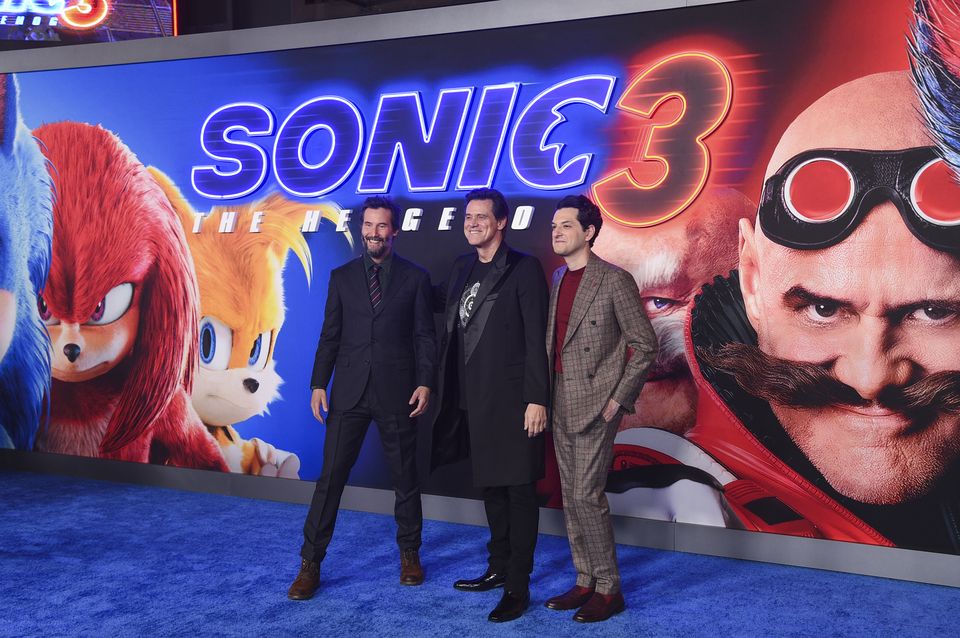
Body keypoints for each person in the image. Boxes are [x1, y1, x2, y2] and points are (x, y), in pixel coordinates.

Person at [684, 70, 960, 552]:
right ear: (752, 280)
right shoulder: (674, 496)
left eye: (934, 311)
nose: (870, 377)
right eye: (823, 308)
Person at [288, 196, 437, 599]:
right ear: (362, 229)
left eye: (382, 226)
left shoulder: (416, 278)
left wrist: (425, 382)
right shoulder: (342, 277)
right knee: (330, 480)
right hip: (349, 393)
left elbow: (425, 335)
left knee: (406, 480)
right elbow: (330, 335)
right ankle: (310, 563)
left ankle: (409, 554)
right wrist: (319, 383)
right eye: (368, 225)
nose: (374, 232)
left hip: (398, 393)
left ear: (395, 230)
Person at [430, 188, 549, 622]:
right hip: (471, 401)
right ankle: (498, 568)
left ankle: (519, 585)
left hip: (515, 402)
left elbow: (538, 337)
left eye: (482, 216)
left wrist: (538, 397)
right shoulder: (463, 267)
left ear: (502, 222)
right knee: (492, 489)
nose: (473, 222)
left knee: (518, 491)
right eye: (469, 216)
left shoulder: (523, 269)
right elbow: (436, 307)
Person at [544, 195, 657, 622]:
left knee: (587, 497)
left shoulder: (613, 280)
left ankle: (610, 589)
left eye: (566, 225)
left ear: (589, 232)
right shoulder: (558, 277)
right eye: (554, 225)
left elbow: (645, 345)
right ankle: (584, 579)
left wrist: (617, 400)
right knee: (571, 500)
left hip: (595, 407)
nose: (556, 232)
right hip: (559, 402)